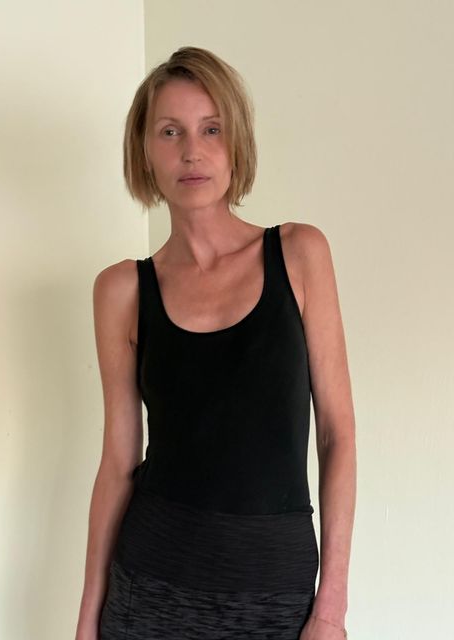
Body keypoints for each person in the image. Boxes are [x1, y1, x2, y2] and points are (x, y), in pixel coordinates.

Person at [75, 46, 356, 640]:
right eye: (169, 131)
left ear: (237, 145)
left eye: (211, 129)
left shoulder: (299, 254)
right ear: (144, 152)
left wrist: (330, 611)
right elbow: (118, 464)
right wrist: (86, 623)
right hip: (148, 586)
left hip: (274, 592)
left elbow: (338, 435)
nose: (191, 151)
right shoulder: (121, 290)